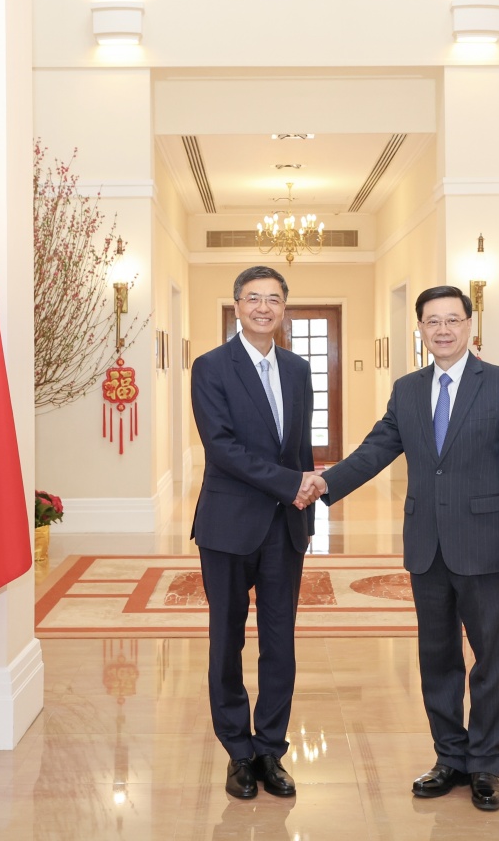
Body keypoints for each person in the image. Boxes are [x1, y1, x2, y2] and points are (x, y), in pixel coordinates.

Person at [304, 285, 499, 812]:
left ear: (469, 325)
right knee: (437, 658)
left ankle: (485, 764)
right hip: (427, 547)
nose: (444, 330)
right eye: (433, 321)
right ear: (421, 330)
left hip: (488, 548)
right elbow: (377, 448)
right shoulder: (407, 390)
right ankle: (450, 757)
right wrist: (325, 483)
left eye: (453, 319)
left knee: (491, 659)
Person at [190, 265, 321, 800]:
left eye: (273, 299)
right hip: (227, 524)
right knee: (227, 640)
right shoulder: (210, 367)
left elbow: (300, 447)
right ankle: (238, 753)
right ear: (237, 306)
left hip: (284, 527)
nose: (263, 307)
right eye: (253, 298)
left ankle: (269, 749)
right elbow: (221, 447)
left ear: (284, 308)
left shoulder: (297, 369)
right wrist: (291, 484)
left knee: (279, 642)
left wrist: (306, 511)